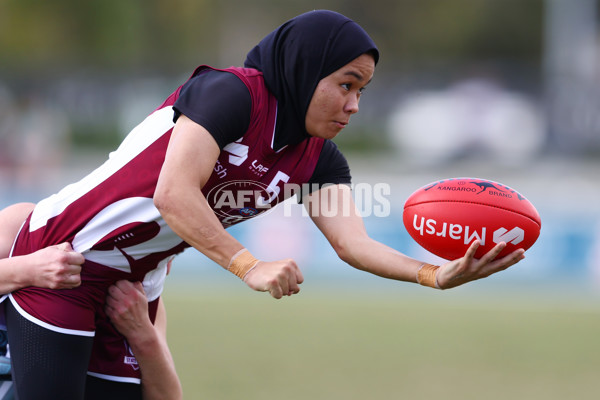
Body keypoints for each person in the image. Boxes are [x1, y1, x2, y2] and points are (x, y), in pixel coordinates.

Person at [4, 10, 525, 399]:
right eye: (345, 85)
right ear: (304, 69)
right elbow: (174, 192)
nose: (354, 105)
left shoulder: (320, 158)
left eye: (362, 91)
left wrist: (434, 275)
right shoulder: (232, 93)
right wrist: (247, 265)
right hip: (63, 262)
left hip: (131, 289)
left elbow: (354, 244)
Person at [0, 204, 182, 400]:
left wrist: (143, 336)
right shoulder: (24, 224)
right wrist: (26, 270)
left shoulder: (137, 301)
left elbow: (167, 396)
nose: (164, 267)